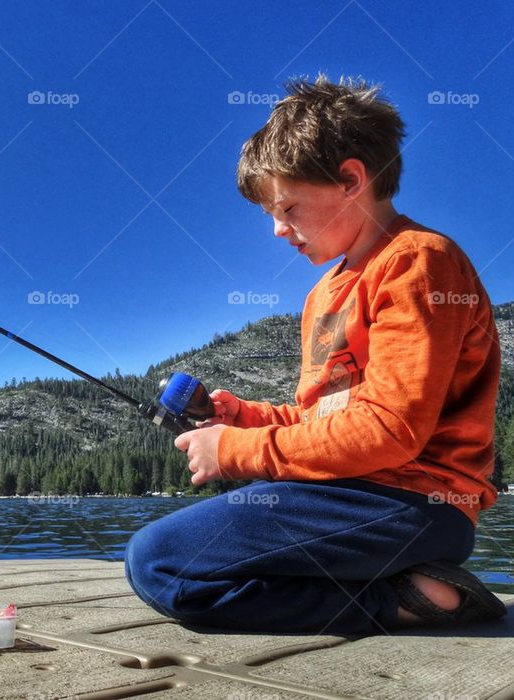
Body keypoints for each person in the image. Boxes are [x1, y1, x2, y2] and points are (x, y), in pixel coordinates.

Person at [124, 76, 508, 634]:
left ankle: (415, 601)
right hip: (349, 492)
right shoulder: (324, 294)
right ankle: (401, 582)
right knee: (175, 561)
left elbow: (389, 430)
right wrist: (246, 418)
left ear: (351, 179)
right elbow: (325, 417)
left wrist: (235, 450)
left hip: (418, 505)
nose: (280, 230)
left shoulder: (418, 261)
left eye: (288, 208)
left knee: (158, 561)